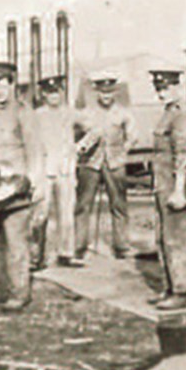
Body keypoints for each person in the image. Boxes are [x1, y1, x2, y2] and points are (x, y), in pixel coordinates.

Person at [0, 62, 44, 312]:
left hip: (16, 186)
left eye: (4, 85)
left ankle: (19, 292)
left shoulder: (24, 112)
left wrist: (34, 180)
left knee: (16, 241)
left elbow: (35, 149)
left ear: (13, 85)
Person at [147, 70, 186, 311]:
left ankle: (182, 290)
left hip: (175, 188)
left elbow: (184, 155)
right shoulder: (168, 114)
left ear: (177, 88)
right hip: (164, 186)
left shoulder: (181, 117)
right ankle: (170, 287)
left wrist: (180, 190)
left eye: (166, 88)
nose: (161, 93)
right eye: (158, 89)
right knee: (164, 239)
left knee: (177, 239)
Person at [74, 72, 137, 260]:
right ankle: (79, 246)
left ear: (115, 93)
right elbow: (75, 135)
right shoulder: (86, 113)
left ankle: (121, 246)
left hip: (114, 163)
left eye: (109, 93)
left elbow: (133, 136)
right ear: (97, 93)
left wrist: (123, 152)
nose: (106, 97)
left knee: (119, 205)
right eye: (103, 93)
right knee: (83, 205)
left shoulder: (123, 113)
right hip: (90, 163)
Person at [29, 75, 82, 269]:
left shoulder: (70, 113)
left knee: (66, 214)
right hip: (43, 170)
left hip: (66, 170)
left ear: (62, 93)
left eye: (57, 92)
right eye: (49, 93)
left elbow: (95, 129)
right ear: (43, 94)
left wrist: (80, 146)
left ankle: (66, 253)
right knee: (40, 214)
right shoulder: (37, 115)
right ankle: (36, 257)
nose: (54, 97)